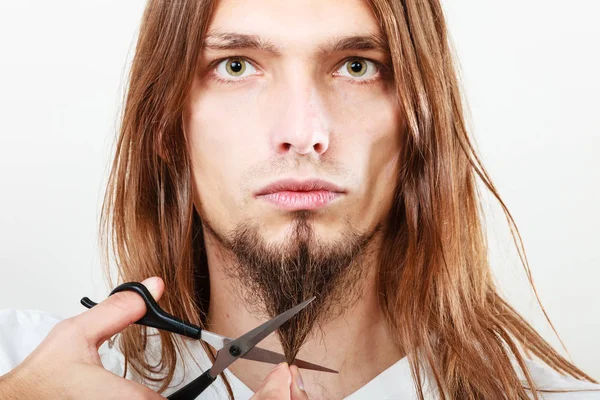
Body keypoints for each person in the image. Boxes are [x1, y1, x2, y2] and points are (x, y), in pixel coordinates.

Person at [0, 0, 599, 399]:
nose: (304, 129)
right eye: (236, 66)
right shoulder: (25, 368)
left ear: (420, 125)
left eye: (357, 66)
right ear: (165, 125)